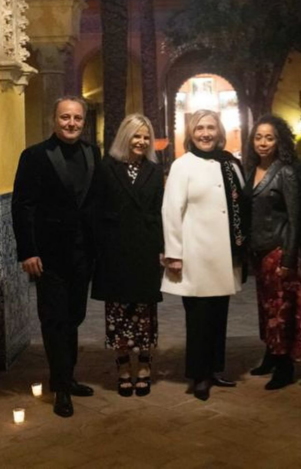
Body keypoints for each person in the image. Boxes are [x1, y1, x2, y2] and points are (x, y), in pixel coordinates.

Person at [12, 96, 100, 417]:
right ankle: (61, 388)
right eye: (65, 117)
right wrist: (28, 251)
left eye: (77, 118)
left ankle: (66, 376)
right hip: (47, 257)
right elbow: (22, 206)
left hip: (82, 254)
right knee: (54, 320)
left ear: (84, 121)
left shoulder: (93, 153)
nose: (71, 123)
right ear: (54, 119)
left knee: (74, 317)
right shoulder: (35, 156)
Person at [161, 110, 249, 401]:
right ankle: (199, 375)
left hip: (224, 254)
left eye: (211, 127)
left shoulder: (230, 163)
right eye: (200, 128)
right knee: (198, 319)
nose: (206, 133)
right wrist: (174, 254)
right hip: (196, 255)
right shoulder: (182, 165)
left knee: (219, 315)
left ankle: (215, 369)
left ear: (219, 131)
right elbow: (171, 211)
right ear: (191, 133)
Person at [91, 114, 164, 398]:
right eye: (136, 136)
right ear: (125, 136)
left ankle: (144, 366)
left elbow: (159, 212)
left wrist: (161, 248)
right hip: (115, 249)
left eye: (146, 137)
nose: (141, 141)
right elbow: (97, 208)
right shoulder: (107, 167)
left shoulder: (155, 171)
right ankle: (122, 367)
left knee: (145, 312)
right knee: (119, 313)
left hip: (145, 248)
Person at [245, 115, 301, 390]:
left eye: (269, 138)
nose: (263, 143)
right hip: (259, 251)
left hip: (279, 250)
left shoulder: (285, 172)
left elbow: (295, 217)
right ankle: (271, 354)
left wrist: (288, 258)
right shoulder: (251, 170)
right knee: (267, 308)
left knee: (282, 310)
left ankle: (285, 366)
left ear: (279, 142)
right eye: (258, 137)